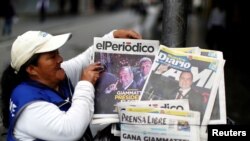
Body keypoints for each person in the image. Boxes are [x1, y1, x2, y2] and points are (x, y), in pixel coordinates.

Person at [0, 29, 141, 140]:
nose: (60, 59)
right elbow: (71, 130)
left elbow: (84, 59)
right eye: (52, 57)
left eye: (58, 53)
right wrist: (85, 83)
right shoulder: (28, 104)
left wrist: (113, 37)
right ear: (32, 69)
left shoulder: (52, 76)